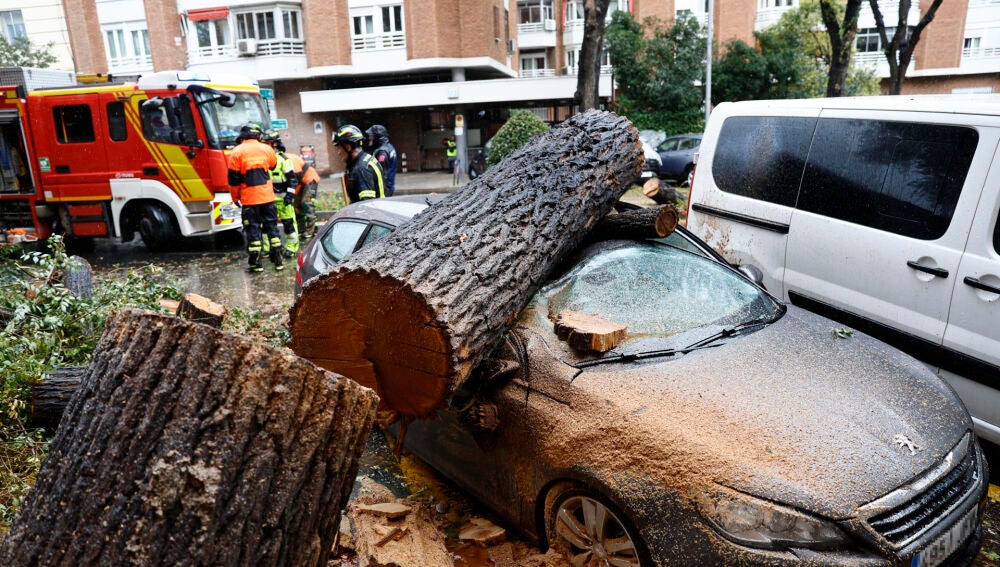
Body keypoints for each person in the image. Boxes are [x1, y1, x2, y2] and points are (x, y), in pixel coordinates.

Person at [227, 122, 284, 272]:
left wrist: (235, 198)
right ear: (257, 135)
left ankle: (256, 264)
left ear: (243, 136)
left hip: (249, 199)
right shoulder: (266, 149)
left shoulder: (237, 152)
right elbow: (273, 165)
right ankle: (278, 260)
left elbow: (233, 180)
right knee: (272, 227)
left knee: (253, 230)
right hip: (267, 198)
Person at [263, 130, 299, 258]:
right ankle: (268, 248)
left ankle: (291, 248)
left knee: (288, 224)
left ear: (274, 144)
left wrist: (289, 196)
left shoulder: (283, 160)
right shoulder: (263, 159)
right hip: (268, 200)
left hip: (283, 199)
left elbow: (293, 180)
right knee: (267, 225)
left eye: (267, 143)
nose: (264, 146)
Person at [333, 124, 385, 203]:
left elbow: (366, 204)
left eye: (339, 148)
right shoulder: (367, 159)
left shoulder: (361, 169)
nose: (338, 153)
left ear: (348, 147)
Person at [285, 147, 321, 239]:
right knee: (296, 206)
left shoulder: (289, 161)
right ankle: (301, 230)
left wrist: (292, 195)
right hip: (300, 182)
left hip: (309, 178)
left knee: (306, 203)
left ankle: (310, 230)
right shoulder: (283, 160)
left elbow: (295, 179)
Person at [365, 124, 397, 196]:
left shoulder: (382, 152)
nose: (369, 138)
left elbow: (382, 174)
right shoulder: (389, 146)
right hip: (389, 185)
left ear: (378, 137)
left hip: (385, 188)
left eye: (371, 136)